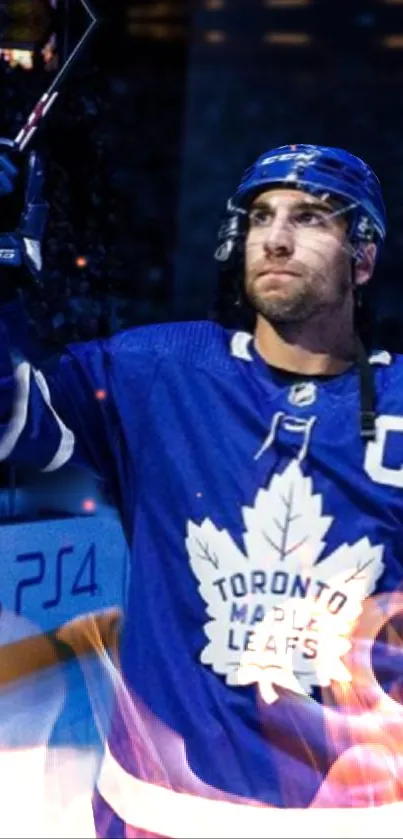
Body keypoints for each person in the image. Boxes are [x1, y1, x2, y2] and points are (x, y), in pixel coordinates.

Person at [1, 142, 403, 838]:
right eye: (260, 218)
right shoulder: (158, 369)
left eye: (309, 218)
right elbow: (12, 420)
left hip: (355, 814)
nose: (275, 238)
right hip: (157, 811)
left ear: (361, 258)